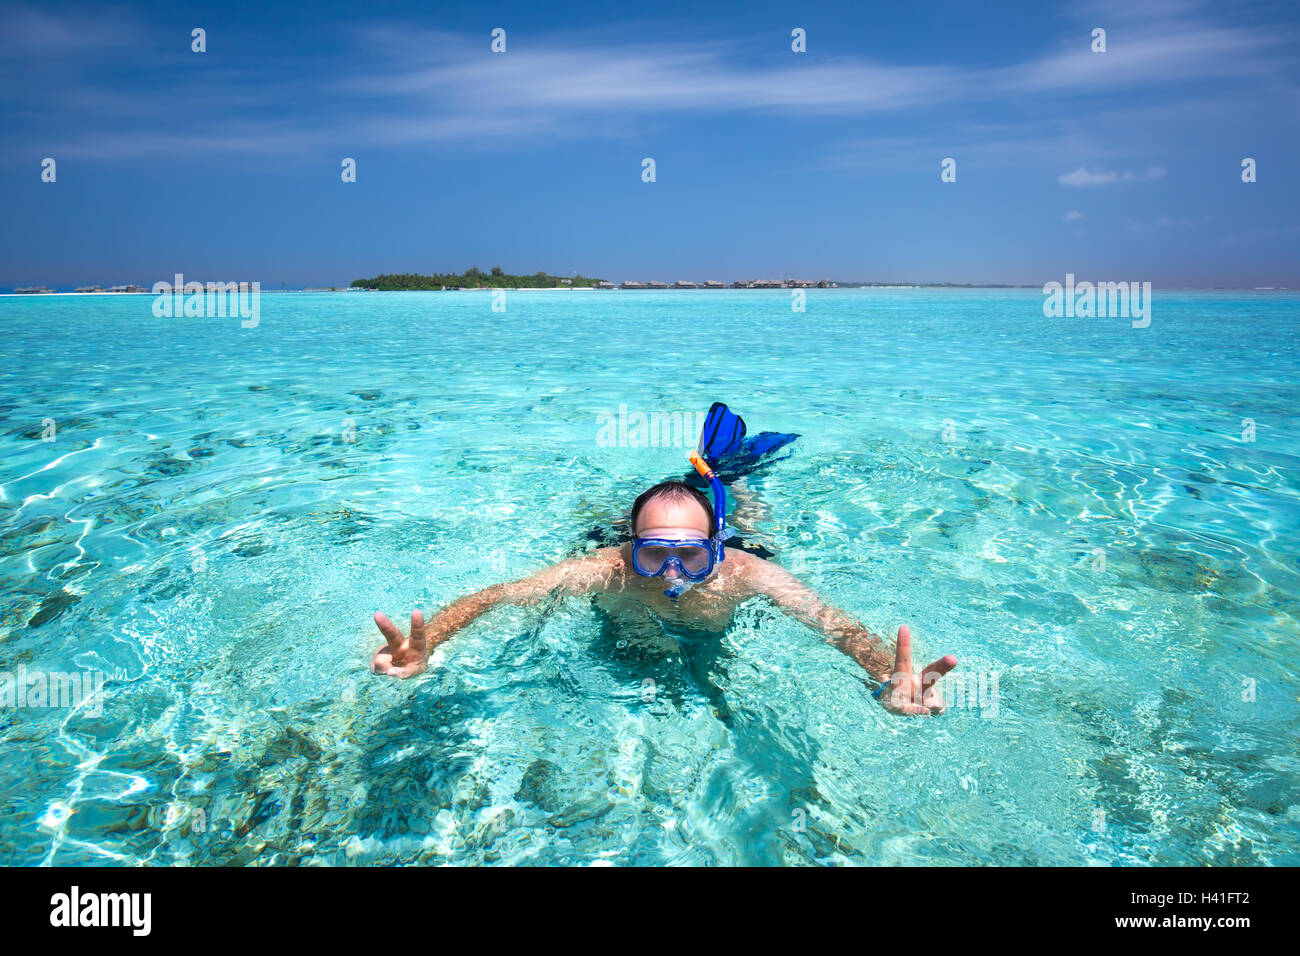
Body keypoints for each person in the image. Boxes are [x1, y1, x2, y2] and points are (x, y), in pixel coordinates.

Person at [371, 405, 957, 716]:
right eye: (654, 552)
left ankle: (726, 476)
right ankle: (691, 488)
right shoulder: (608, 567)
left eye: (690, 556)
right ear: (631, 546)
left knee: (749, 508)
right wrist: (433, 641)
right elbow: (493, 597)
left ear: (715, 551)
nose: (672, 573)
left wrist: (889, 673)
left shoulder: (744, 571)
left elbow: (835, 626)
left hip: (730, 532)